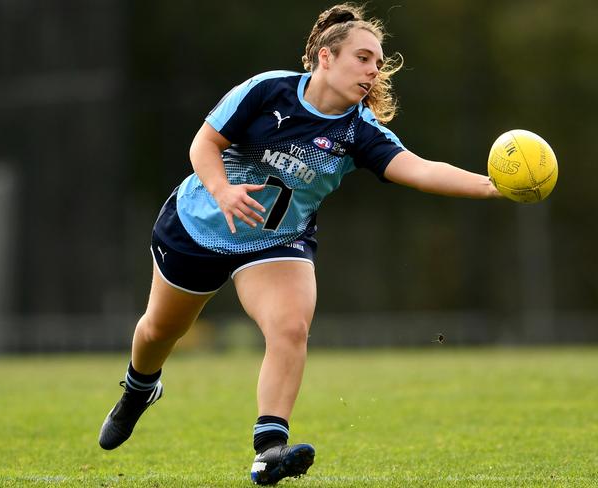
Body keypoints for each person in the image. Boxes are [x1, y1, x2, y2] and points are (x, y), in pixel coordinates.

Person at [98, 3, 502, 485]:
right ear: (325, 58)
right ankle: (139, 389)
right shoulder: (267, 90)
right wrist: (224, 191)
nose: (374, 69)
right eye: (363, 57)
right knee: (158, 333)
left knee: (290, 327)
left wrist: (493, 185)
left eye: (378, 61)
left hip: (276, 240)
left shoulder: (358, 132)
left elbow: (419, 169)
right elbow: (203, 145)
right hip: (199, 227)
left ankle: (269, 449)